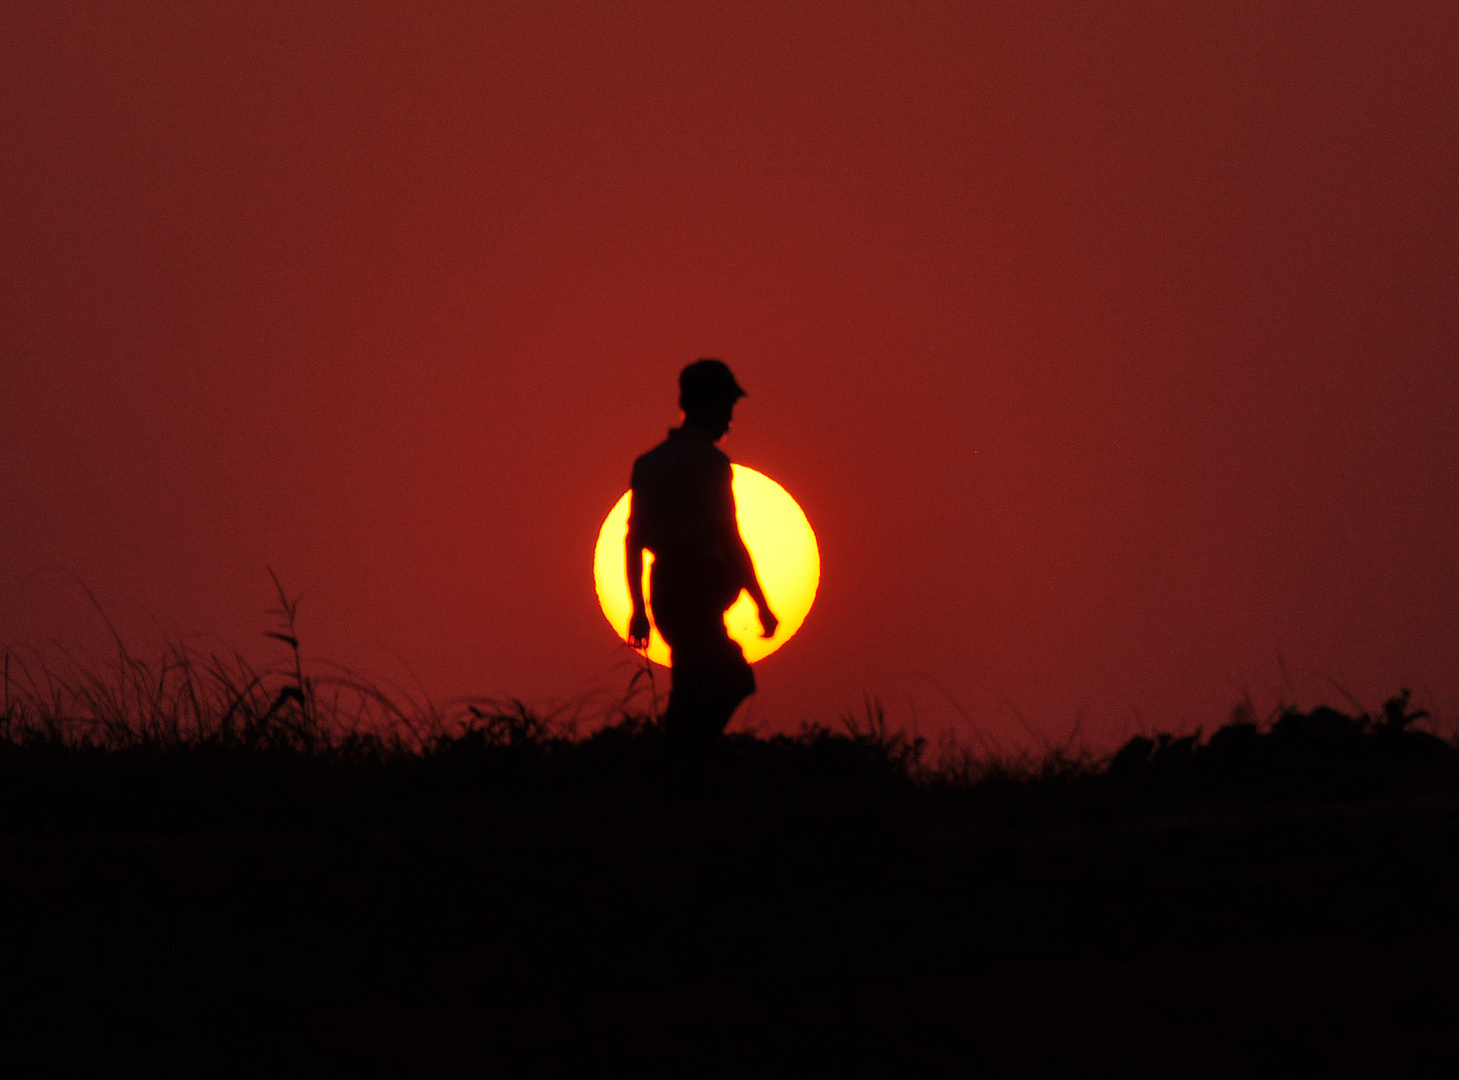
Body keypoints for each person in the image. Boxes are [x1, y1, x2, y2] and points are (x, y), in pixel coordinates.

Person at [626, 359, 778, 755]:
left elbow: (634, 541)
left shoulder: (649, 463)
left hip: (667, 594)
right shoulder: (711, 464)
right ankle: (683, 761)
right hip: (693, 592)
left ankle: (684, 758)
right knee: (729, 679)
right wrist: (760, 604)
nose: (729, 419)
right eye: (726, 407)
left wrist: (639, 609)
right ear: (706, 405)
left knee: (697, 680)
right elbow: (729, 537)